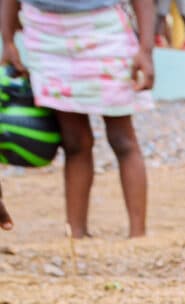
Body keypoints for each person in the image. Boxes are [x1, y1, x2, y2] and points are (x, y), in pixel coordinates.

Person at [1, 0, 154, 238]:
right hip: (46, 36)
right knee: (74, 142)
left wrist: (145, 50)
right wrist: (8, 41)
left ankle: (138, 236)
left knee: (122, 139)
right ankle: (77, 234)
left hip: (103, 30)